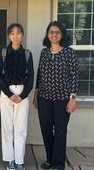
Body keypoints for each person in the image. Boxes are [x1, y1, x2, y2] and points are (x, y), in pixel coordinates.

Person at [33, 21, 78, 170]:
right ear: (47, 34)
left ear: (62, 34)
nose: (54, 35)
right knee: (45, 129)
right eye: (51, 32)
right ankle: (50, 159)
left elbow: (74, 76)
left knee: (60, 131)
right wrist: (35, 95)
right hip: (44, 97)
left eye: (57, 32)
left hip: (62, 98)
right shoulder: (44, 52)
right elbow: (39, 76)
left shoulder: (69, 52)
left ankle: (58, 163)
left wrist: (72, 99)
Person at [0, 23, 34, 170]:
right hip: (6, 93)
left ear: (22, 35)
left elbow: (31, 76)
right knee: (7, 128)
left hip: (23, 93)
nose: (15, 36)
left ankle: (19, 161)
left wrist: (23, 95)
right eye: (12, 33)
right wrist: (9, 94)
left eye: (18, 33)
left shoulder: (27, 54)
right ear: (9, 36)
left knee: (20, 129)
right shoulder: (3, 53)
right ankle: (10, 160)